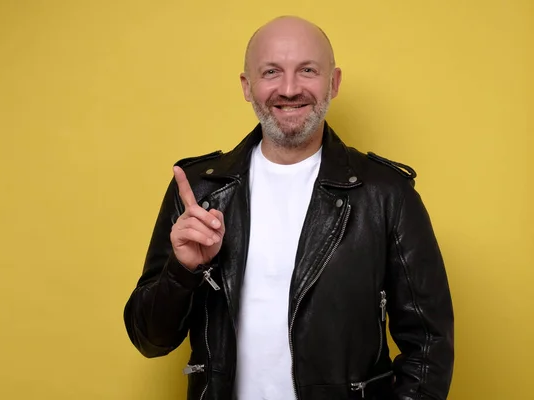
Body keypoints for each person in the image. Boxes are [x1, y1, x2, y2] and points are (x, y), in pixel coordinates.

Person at [124, 15, 454, 400]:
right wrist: (183, 271)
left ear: (334, 82)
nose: (290, 88)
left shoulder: (386, 194)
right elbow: (149, 339)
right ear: (248, 87)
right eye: (271, 72)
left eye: (308, 70)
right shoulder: (199, 192)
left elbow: (430, 346)